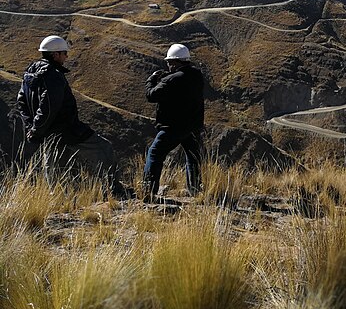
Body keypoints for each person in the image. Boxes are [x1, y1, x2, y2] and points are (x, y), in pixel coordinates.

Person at [16, 35, 125, 195]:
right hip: (67, 130)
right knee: (104, 149)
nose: (66, 56)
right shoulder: (53, 75)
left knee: (54, 170)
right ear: (55, 55)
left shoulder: (29, 74)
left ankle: (59, 203)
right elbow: (49, 107)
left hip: (47, 134)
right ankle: (113, 191)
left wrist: (33, 128)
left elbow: (22, 102)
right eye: (64, 53)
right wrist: (37, 128)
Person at [143, 43, 205, 200]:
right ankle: (195, 191)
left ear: (175, 62)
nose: (168, 65)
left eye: (169, 62)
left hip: (172, 127)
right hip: (193, 126)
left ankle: (148, 192)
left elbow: (151, 95)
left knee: (155, 154)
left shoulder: (171, 80)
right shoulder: (197, 75)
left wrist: (151, 80)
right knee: (193, 157)